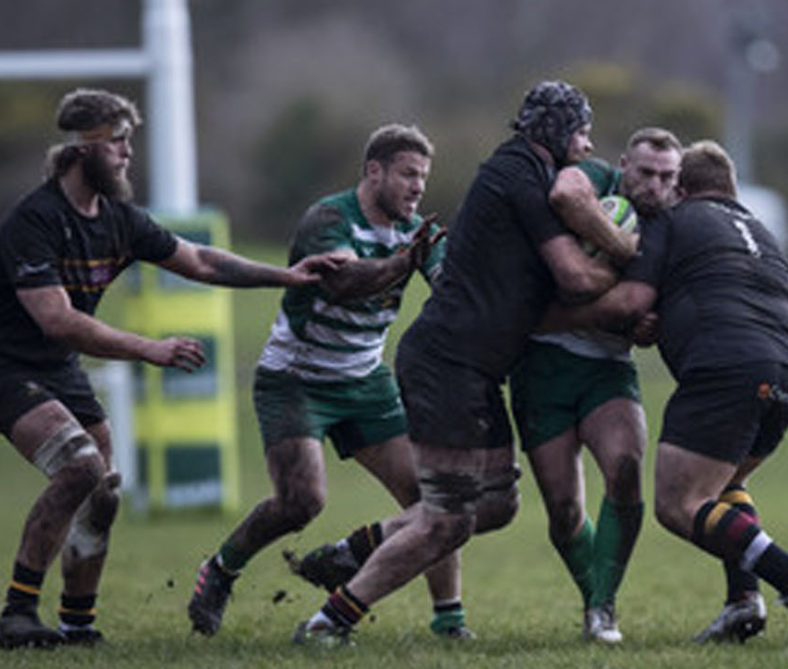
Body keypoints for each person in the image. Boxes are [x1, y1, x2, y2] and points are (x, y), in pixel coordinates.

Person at [0, 88, 343, 651]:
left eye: (128, 141)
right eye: (117, 142)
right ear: (83, 148)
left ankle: (76, 623)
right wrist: (149, 348)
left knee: (103, 493)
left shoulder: (119, 219)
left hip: (59, 370)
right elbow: (57, 320)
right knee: (78, 467)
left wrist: (287, 277)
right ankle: (17, 612)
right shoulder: (35, 220)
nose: (127, 153)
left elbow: (200, 260)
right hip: (1, 366)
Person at [289, 80, 619, 646]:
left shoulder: (530, 174)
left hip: (476, 370)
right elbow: (575, 277)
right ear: (557, 129)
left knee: (495, 505)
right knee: (447, 518)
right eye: (581, 131)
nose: (587, 146)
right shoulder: (516, 173)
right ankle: (330, 621)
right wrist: (631, 261)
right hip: (447, 364)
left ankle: (354, 551)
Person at [539, 140, 788, 644]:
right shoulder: (761, 232)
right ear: (731, 189)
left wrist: (553, 317)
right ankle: (743, 604)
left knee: (679, 502)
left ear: (681, 188)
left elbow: (633, 301)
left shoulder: (674, 222)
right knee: (722, 486)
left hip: (726, 367)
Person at [184, 124, 472, 639]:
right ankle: (221, 569)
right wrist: (407, 260)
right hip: (296, 380)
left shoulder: (416, 231)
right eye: (408, 174)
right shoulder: (329, 219)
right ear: (374, 171)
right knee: (302, 502)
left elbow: (454, 292)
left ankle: (449, 619)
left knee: (432, 497)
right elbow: (343, 284)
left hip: (365, 380)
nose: (417, 187)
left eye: (423, 179)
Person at [508, 127, 682, 643]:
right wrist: (612, 291)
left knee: (626, 467)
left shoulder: (672, 225)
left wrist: (647, 325)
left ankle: (602, 608)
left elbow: (655, 309)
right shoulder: (593, 180)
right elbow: (564, 194)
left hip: (609, 368)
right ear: (625, 164)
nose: (654, 185)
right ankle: (594, 599)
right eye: (646, 172)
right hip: (542, 369)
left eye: (667, 177)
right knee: (563, 511)